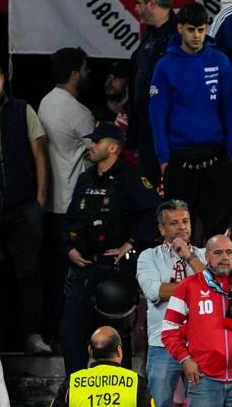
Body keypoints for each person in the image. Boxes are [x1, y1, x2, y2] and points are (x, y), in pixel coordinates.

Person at [61, 123, 160, 375]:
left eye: (96, 141)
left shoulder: (131, 179)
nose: (90, 145)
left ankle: (120, 393)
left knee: (114, 339)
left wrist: (133, 243)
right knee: (71, 335)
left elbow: (153, 215)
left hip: (114, 271)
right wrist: (69, 247)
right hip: (82, 269)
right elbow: (71, 218)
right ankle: (73, 391)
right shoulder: (85, 178)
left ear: (113, 147)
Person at [149, 2, 232, 240]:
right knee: (178, 233)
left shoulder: (220, 61)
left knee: (217, 231)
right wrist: (164, 158)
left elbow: (229, 111)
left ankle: (216, 278)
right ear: (180, 28)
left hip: (216, 158)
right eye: (191, 29)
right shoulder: (165, 66)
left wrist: (231, 153)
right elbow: (157, 115)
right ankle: (180, 278)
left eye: (201, 29)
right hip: (180, 161)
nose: (197, 35)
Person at [161, 234, 232, 407]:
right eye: (218, 252)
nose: (224, 257)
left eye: (229, 252)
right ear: (206, 256)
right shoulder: (188, 287)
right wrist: (185, 359)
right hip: (203, 379)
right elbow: (169, 330)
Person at [39, 48, 95, 338]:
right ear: (74, 73)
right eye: (85, 69)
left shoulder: (45, 103)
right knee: (75, 279)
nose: (88, 74)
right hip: (73, 205)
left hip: (51, 205)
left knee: (55, 276)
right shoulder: (78, 111)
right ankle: (72, 337)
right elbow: (97, 153)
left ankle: (54, 334)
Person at [0, 60, 49, 356]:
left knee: (29, 274)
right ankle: (0, 340)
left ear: (4, 80)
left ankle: (33, 335)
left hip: (24, 207)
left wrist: (40, 200)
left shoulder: (22, 109)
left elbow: (39, 155)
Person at [136, 199, 206, 407]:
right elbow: (154, 291)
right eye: (174, 223)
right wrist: (197, 287)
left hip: (201, 344)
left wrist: (189, 256)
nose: (182, 227)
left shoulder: (204, 255)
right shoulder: (149, 256)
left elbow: (214, 289)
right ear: (162, 228)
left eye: (185, 221)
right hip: (163, 343)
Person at [129, 0, 179, 183]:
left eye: (138, 3)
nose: (135, 8)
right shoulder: (149, 36)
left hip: (169, 132)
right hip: (146, 131)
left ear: (151, 3)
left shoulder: (179, 37)